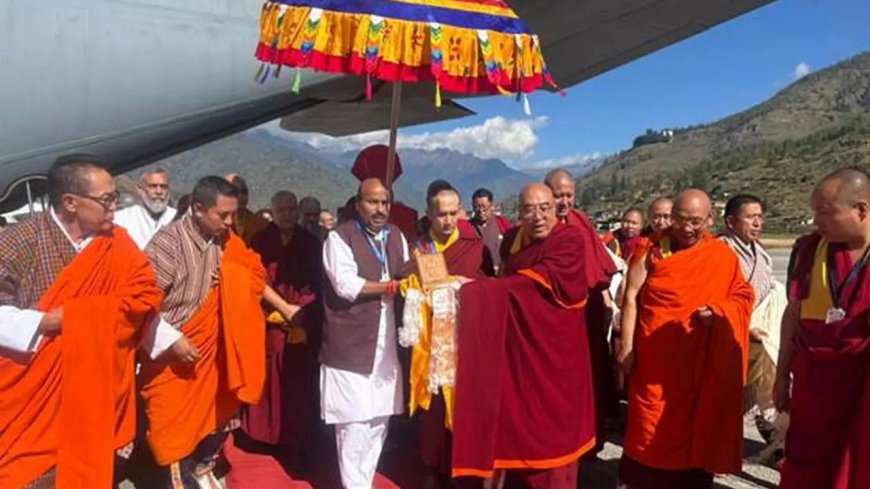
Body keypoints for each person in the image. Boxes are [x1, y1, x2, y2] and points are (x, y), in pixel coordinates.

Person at [0, 155, 163, 488]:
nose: (114, 206)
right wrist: (47, 323)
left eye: (115, 197)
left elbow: (145, 298)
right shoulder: (19, 241)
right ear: (70, 202)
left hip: (93, 391)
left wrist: (84, 318)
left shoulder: (119, 244)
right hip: (30, 396)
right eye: (106, 199)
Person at [139, 176, 301, 488]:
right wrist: (173, 340)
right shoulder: (166, 245)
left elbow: (252, 274)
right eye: (223, 215)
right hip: (173, 359)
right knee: (173, 430)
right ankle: (179, 479)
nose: (230, 222)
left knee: (219, 418)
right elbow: (140, 306)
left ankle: (202, 469)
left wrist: (231, 280)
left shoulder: (227, 240)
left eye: (233, 215)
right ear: (198, 209)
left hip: (214, 353)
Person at [452, 183, 596, 489]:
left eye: (544, 208)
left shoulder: (569, 240)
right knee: (516, 422)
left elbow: (529, 286)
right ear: (520, 212)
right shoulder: (515, 241)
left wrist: (475, 291)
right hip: (519, 351)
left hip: (556, 357)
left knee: (550, 435)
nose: (538, 217)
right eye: (529, 210)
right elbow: (508, 279)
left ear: (556, 208)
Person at [616, 189, 755, 489]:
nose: (687, 228)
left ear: (710, 218)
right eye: (680, 220)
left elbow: (743, 295)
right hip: (655, 360)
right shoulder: (650, 247)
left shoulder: (719, 255)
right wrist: (626, 346)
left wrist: (719, 311)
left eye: (696, 221)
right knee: (649, 427)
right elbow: (630, 296)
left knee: (695, 429)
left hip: (698, 364)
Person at [775, 168, 870, 489]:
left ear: (861, 210)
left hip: (862, 386)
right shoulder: (808, 250)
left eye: (825, 212)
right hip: (814, 384)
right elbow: (794, 313)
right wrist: (780, 374)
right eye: (815, 212)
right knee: (804, 462)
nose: (817, 221)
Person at [401, 181, 493, 489]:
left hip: (462, 341)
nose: (449, 220)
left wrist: (465, 285)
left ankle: (460, 465)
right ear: (429, 213)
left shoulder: (474, 246)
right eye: (442, 214)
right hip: (428, 344)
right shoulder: (418, 248)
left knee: (463, 405)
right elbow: (403, 287)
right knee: (432, 407)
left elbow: (488, 287)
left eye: (454, 213)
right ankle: (430, 466)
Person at [320, 178, 410, 489]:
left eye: (385, 202)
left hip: (386, 344)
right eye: (373, 202)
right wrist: (391, 287)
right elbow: (347, 286)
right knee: (353, 423)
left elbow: (408, 269)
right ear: (358, 204)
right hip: (351, 343)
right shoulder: (339, 237)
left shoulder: (396, 235)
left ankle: (364, 481)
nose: (380, 209)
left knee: (378, 421)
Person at [240, 191, 323, 471]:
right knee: (267, 383)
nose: (287, 214)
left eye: (291, 209)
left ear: (298, 210)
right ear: (272, 212)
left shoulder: (311, 243)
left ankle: (294, 440)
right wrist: (280, 312)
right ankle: (264, 437)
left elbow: (318, 284)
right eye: (281, 209)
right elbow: (252, 280)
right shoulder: (260, 241)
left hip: (301, 323)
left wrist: (300, 312)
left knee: (296, 385)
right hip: (268, 323)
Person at [544, 168, 618, 453]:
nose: (564, 202)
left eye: (568, 195)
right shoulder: (539, 224)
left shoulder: (581, 221)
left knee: (590, 377)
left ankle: (589, 438)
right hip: (556, 315)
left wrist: (606, 298)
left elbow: (598, 267)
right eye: (558, 195)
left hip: (587, 311)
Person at [719, 194, 787, 460]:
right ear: (731, 222)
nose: (757, 222)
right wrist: (744, 327)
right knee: (727, 395)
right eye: (750, 217)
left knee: (765, 391)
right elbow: (717, 297)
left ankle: (777, 447)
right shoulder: (721, 252)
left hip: (761, 334)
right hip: (732, 334)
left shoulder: (762, 254)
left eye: (759, 216)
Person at [114, 168, 177, 249]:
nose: (159, 191)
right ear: (139, 189)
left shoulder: (178, 218)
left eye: (163, 187)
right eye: (153, 186)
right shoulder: (120, 220)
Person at [470, 188, 511, 275]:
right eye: (477, 207)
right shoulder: (468, 227)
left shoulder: (502, 224)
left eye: (484, 207)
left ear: (492, 205)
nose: (481, 211)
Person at [226, 174, 271, 246]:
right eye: (235, 192)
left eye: (244, 192)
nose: (240, 196)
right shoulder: (219, 225)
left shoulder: (258, 221)